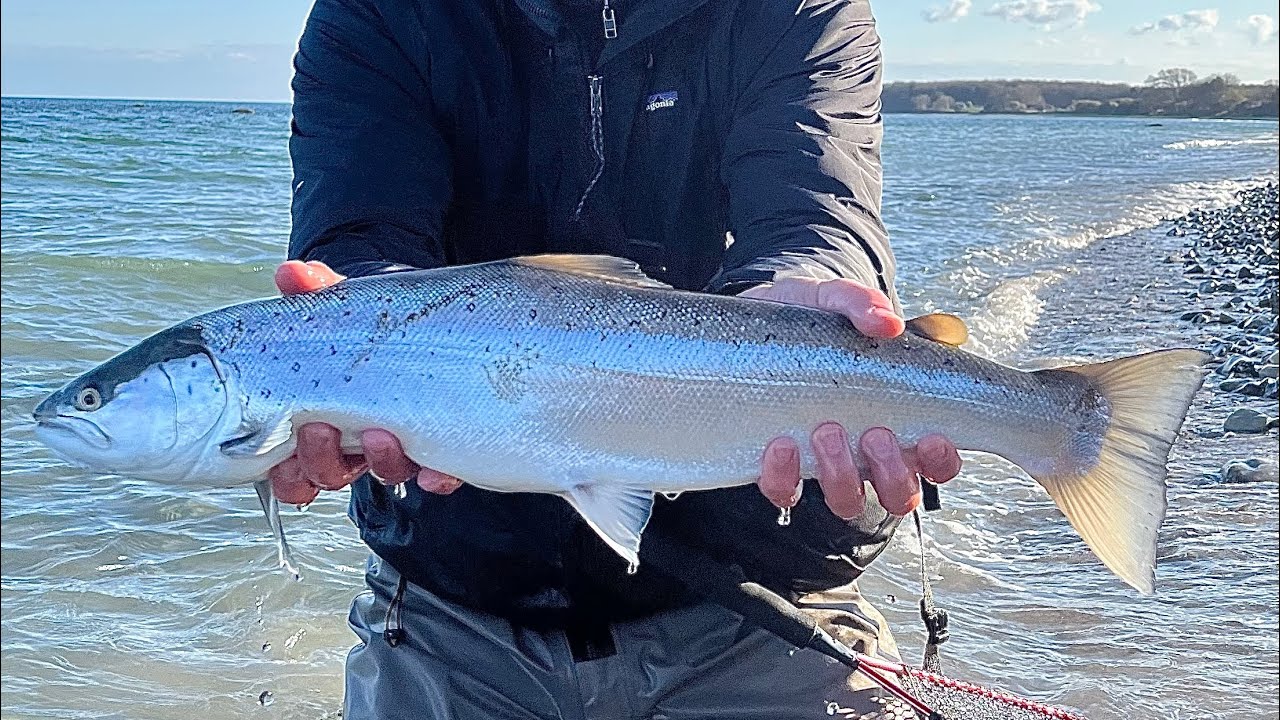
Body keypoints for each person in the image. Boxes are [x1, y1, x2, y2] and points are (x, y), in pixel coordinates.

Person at [271, 0, 963, 716]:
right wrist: (351, 335)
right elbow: (362, 238)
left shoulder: (800, 7)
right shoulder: (378, 12)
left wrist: (809, 284)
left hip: (768, 594)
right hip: (456, 610)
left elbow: (814, 208)